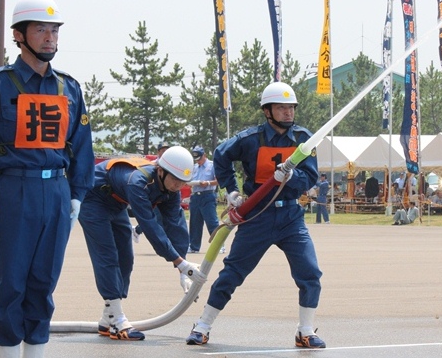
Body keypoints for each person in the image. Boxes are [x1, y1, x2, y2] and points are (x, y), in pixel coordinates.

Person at [0, 0, 95, 357]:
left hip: (56, 193)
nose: (50, 37)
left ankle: (35, 352)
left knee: (43, 282)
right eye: (41, 30)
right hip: (12, 192)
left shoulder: (69, 88)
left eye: (54, 30)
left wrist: (78, 193)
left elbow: (82, 145)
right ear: (19, 35)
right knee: (12, 282)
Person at [185, 81, 326, 349]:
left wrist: (291, 175)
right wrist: (231, 192)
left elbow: (309, 177)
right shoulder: (249, 139)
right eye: (281, 107)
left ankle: (305, 331)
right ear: (267, 111)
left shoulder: (304, 139)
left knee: (310, 273)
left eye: (291, 107)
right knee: (233, 272)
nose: (288, 112)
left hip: (291, 218)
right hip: (257, 216)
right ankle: (202, 326)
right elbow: (221, 155)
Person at [78, 146, 206, 341]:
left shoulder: (172, 190)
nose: (178, 185)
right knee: (107, 255)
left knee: (126, 258)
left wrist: (182, 268)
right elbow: (150, 227)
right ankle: (117, 319)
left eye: (183, 182)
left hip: (116, 202)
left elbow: (175, 226)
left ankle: (108, 318)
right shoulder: (137, 183)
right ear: (161, 171)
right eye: (175, 179)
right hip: (93, 199)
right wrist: (180, 263)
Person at [132, 141, 188, 244]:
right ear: (158, 152)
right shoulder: (154, 164)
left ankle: (137, 230)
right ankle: (141, 232)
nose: (165, 151)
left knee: (170, 219)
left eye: (167, 149)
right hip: (155, 195)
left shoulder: (175, 163)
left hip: (169, 194)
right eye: (162, 150)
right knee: (155, 218)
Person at [187, 145, 220, 253]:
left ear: (204, 155)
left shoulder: (212, 165)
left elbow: (218, 180)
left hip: (208, 195)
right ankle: (194, 246)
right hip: (196, 196)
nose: (198, 161)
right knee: (195, 223)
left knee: (212, 222)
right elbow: (187, 179)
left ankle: (219, 245)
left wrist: (208, 183)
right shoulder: (194, 167)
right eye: (196, 159)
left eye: (200, 159)